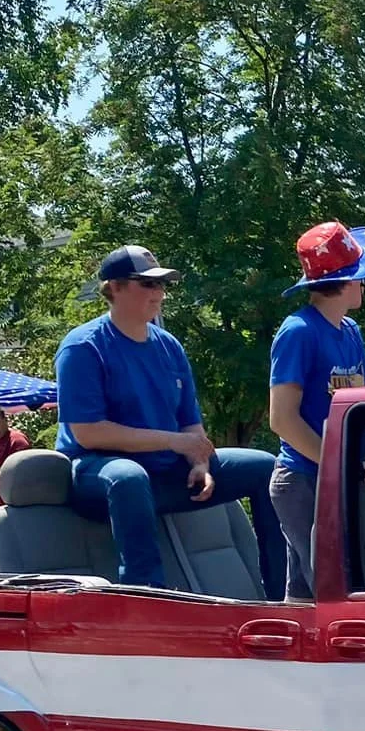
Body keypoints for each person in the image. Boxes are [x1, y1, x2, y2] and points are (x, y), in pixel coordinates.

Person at [54, 244, 286, 598]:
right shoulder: (83, 347)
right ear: (114, 288)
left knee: (265, 466)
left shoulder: (169, 346)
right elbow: (88, 433)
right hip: (97, 475)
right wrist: (175, 442)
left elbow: (190, 424)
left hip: (164, 473)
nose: (159, 293)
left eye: (162, 284)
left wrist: (199, 462)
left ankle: (285, 595)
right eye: (147, 284)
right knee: (128, 477)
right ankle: (146, 596)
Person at [267, 222, 365, 601]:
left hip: (340, 479)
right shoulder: (298, 332)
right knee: (339, 595)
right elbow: (282, 420)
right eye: (361, 275)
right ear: (345, 281)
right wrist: (344, 466)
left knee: (305, 600)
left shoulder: (351, 331)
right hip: (303, 482)